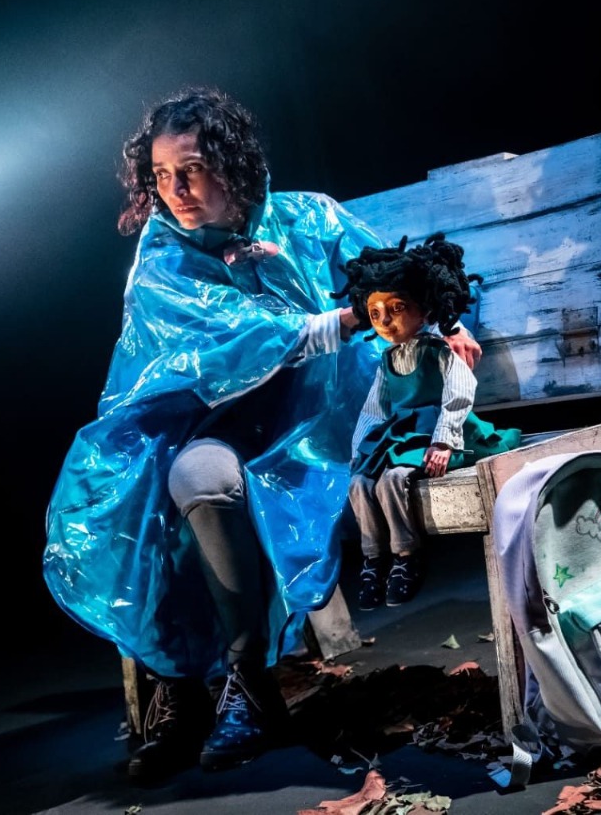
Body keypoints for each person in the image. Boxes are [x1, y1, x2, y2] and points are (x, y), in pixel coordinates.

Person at [42, 87, 482, 782]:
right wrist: (335, 322)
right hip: (204, 426)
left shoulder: (306, 217)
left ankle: (234, 687)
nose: (176, 190)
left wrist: (445, 322)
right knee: (158, 488)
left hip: (311, 422)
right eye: (161, 175)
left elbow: (392, 274)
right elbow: (220, 344)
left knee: (196, 485)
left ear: (232, 164)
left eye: (191, 169)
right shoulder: (161, 255)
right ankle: (201, 689)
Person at [332, 233, 523, 610]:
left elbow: (459, 391)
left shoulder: (439, 351)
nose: (386, 321)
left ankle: (407, 555)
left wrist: (443, 441)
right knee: (359, 483)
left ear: (424, 309)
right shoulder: (387, 361)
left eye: (396, 308)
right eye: (375, 314)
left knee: (394, 479)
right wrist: (359, 452)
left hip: (436, 432)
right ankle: (373, 558)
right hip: (402, 436)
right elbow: (374, 410)